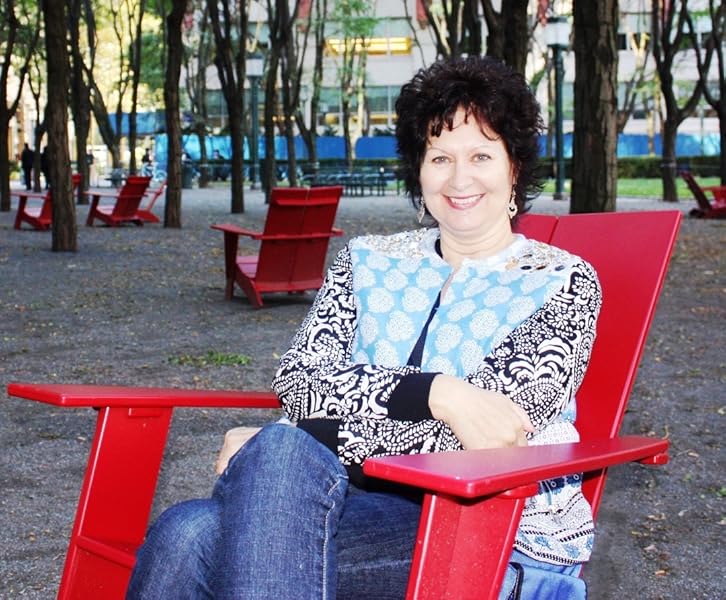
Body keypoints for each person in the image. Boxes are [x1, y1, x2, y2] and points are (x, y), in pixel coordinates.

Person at [127, 56, 602, 599]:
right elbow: (300, 381)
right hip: (351, 499)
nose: (459, 178)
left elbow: (488, 435)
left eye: (481, 156)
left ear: (514, 167)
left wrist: (303, 434)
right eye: (440, 157)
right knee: (185, 531)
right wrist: (439, 393)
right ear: (419, 169)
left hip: (493, 527)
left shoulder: (562, 283)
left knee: (252, 479)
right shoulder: (366, 260)